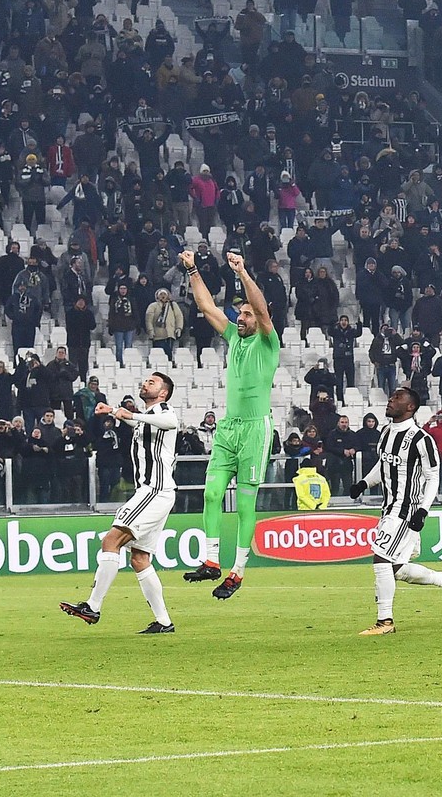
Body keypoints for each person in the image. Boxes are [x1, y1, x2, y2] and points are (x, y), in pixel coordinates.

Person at [179, 249, 281, 599]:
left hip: (256, 429)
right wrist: (192, 269)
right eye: (240, 312)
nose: (241, 317)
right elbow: (207, 308)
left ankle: (237, 571)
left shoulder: (268, 342)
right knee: (211, 493)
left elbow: (263, 310)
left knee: (245, 504)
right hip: (228, 428)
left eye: (246, 314)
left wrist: (242, 272)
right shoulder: (235, 338)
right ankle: (210, 561)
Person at [59, 373, 179, 634]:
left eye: (152, 382)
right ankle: (164, 622)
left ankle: (93, 606)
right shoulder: (148, 419)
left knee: (110, 542)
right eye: (146, 380)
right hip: (158, 491)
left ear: (163, 393)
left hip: (154, 489)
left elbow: (171, 422)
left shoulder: (165, 411)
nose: (146, 383)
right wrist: (117, 414)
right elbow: (142, 426)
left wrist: (123, 412)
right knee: (140, 558)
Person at [349, 386, 442, 635]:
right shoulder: (387, 432)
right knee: (396, 568)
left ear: (410, 407)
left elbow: (433, 476)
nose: (390, 400)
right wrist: (364, 483)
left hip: (406, 510)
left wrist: (422, 510)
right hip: (388, 508)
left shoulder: (422, 439)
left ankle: (385, 622)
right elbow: (384, 464)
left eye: (397, 398)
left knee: (381, 559)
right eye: (391, 396)